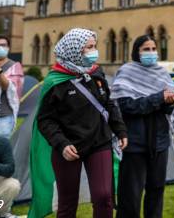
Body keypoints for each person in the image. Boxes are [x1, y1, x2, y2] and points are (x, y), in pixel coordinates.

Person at [31, 28, 128, 218]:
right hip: (68, 148)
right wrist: (61, 143)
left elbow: (108, 103)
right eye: (89, 47)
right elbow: (45, 120)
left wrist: (120, 130)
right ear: (75, 51)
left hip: (99, 142)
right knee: (67, 203)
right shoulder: (55, 81)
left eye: (94, 46)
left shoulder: (96, 73)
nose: (94, 51)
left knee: (104, 196)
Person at [110, 35, 174, 218]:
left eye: (153, 49)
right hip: (135, 142)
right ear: (136, 52)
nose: (151, 53)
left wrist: (170, 102)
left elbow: (166, 108)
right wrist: (158, 98)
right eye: (146, 49)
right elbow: (128, 106)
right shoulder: (126, 72)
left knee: (156, 190)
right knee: (130, 194)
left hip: (159, 141)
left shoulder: (162, 73)